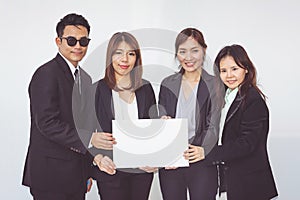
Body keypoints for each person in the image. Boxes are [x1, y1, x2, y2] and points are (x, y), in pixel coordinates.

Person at [22, 13, 94, 200]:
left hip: (76, 175)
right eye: (71, 40)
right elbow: (46, 122)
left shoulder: (85, 79)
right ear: (58, 41)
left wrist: (87, 171)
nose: (78, 46)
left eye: (83, 41)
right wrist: (89, 139)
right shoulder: (46, 74)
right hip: (50, 175)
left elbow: (84, 122)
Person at [199, 44, 278, 200]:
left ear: (246, 69)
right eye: (223, 71)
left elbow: (246, 143)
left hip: (251, 184)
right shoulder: (224, 98)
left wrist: (207, 153)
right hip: (232, 181)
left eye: (234, 69)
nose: (229, 75)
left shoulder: (253, 99)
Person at [90, 32, 158, 200]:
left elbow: (153, 128)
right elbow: (84, 132)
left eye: (131, 53)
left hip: (141, 170)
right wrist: (97, 158)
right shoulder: (96, 90)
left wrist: (157, 156)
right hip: (110, 169)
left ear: (137, 58)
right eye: (118, 53)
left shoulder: (146, 88)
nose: (125, 59)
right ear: (110, 56)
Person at [158, 28, 220, 200]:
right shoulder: (167, 83)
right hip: (171, 162)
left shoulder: (215, 84)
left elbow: (213, 125)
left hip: (201, 159)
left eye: (194, 50)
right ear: (177, 53)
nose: (188, 57)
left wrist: (194, 151)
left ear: (204, 51)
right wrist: (162, 123)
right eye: (182, 51)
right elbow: (160, 118)